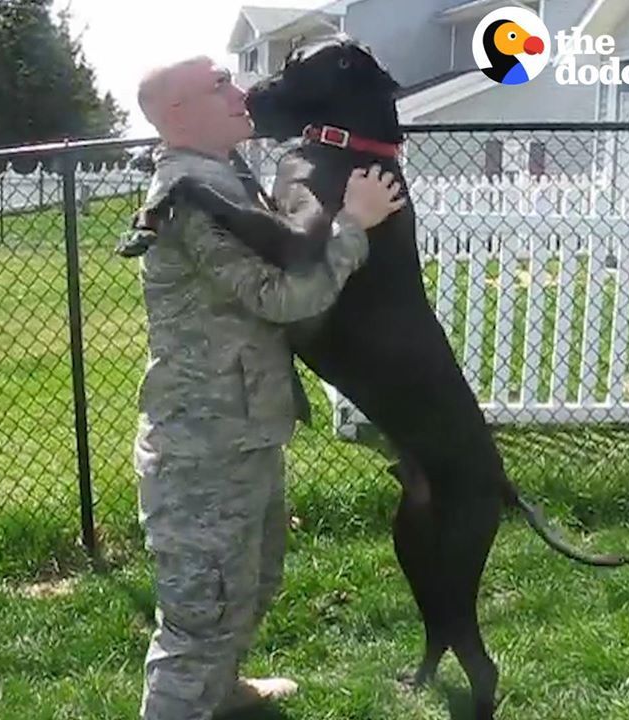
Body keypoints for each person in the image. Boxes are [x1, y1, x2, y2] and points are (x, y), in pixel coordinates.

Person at [131, 55, 405, 720]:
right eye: (218, 85)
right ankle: (188, 697)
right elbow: (281, 298)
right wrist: (355, 225)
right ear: (176, 115)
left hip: (244, 428)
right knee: (200, 616)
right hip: (204, 446)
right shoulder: (189, 196)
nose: (239, 91)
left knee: (252, 582)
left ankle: (221, 691)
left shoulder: (222, 176)